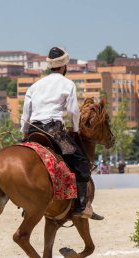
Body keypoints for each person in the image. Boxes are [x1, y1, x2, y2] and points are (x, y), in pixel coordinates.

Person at [20, 46, 95, 219]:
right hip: (55, 131)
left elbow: (26, 113)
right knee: (82, 162)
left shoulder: (35, 85)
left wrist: (24, 133)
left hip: (33, 130)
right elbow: (73, 111)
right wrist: (75, 129)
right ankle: (82, 207)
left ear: (49, 66)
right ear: (64, 66)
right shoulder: (68, 84)